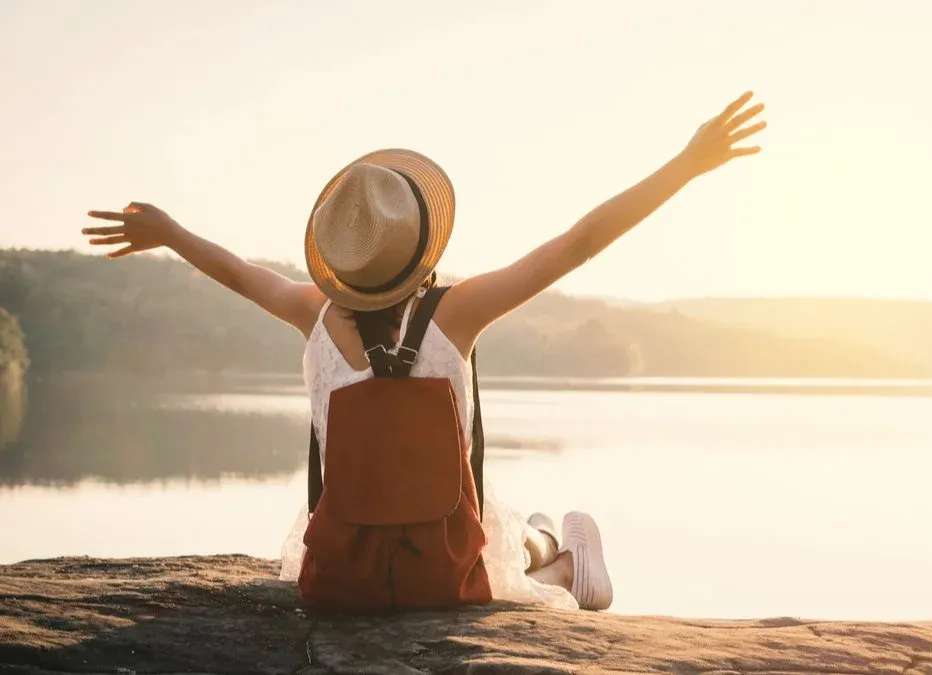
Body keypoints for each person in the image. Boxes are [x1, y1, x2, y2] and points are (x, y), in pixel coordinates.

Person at [82, 91, 767, 611]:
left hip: (343, 576)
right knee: (502, 529)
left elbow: (237, 272)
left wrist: (170, 232)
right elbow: (579, 242)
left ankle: (547, 540)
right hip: (444, 574)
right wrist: (686, 164)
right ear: (417, 248)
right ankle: (558, 558)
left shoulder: (309, 312)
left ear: (339, 262)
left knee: (496, 518)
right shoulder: (458, 312)